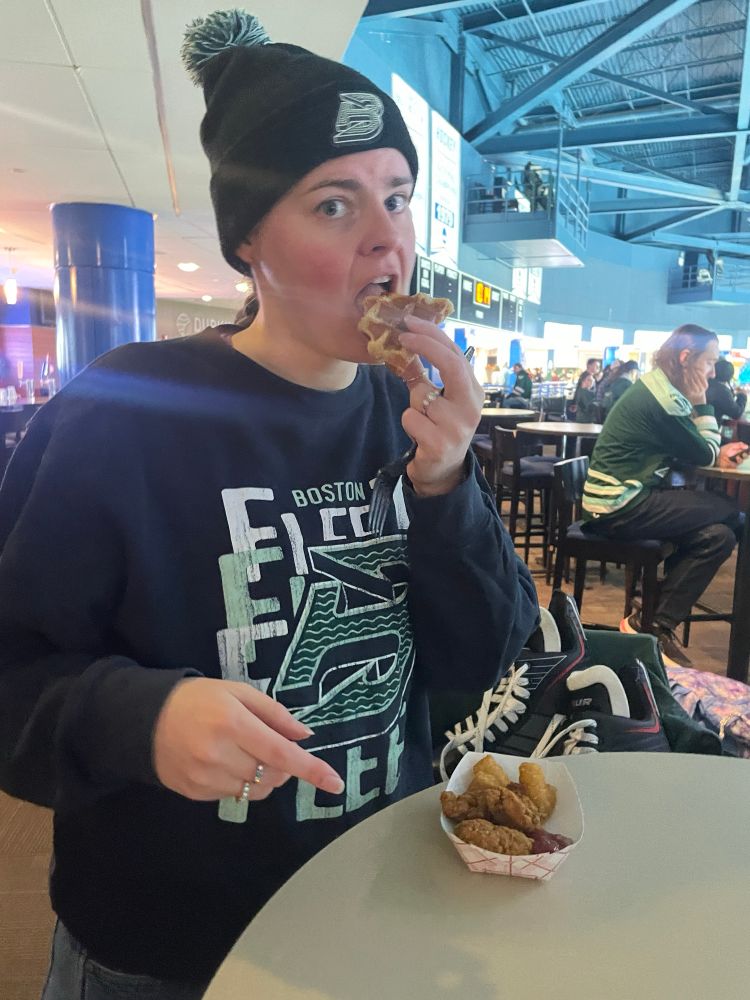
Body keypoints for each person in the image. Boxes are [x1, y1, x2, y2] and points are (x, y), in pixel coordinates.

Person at [0, 11, 539, 999]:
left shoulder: (410, 413)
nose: (388, 240)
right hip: (162, 946)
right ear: (251, 243)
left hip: (377, 904)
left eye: (398, 198)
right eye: (334, 206)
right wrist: (141, 716)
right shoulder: (125, 413)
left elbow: (483, 661)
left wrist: (446, 479)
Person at [581, 324, 746, 668]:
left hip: (617, 500)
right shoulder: (666, 398)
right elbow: (703, 453)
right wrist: (704, 407)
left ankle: (652, 623)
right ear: (686, 358)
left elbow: (696, 448)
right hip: (619, 504)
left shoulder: (657, 387)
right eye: (710, 363)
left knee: (719, 536)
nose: (713, 372)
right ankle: (659, 621)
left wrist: (711, 448)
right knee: (733, 513)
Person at [706, 356, 746, 426]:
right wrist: (743, 395)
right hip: (709, 428)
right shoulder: (722, 391)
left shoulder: (707, 383)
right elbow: (736, 413)